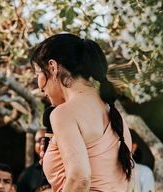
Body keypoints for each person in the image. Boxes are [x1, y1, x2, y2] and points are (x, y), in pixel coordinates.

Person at [30, 34, 133, 191]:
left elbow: (79, 179)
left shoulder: (63, 113)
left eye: (38, 73)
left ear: (52, 67)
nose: (39, 85)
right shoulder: (115, 116)